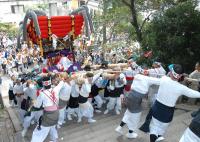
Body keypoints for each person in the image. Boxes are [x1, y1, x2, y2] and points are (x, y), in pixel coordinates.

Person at [149, 64, 200, 142]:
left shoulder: (163, 79)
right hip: (168, 111)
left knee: (154, 127)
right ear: (180, 76)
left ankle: (155, 137)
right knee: (163, 126)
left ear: (171, 72)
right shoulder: (181, 88)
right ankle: (158, 136)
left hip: (157, 107)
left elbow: (151, 79)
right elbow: (194, 93)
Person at [115, 73, 160, 139]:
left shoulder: (137, 76)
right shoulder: (147, 78)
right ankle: (130, 133)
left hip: (130, 95)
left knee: (128, 112)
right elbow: (159, 81)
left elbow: (126, 82)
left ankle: (119, 127)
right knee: (135, 116)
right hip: (136, 99)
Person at [31, 75, 64, 142]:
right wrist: (60, 79)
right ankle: (54, 139)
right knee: (53, 127)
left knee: (38, 132)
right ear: (50, 83)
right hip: (56, 113)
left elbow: (37, 105)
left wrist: (34, 102)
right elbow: (61, 83)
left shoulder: (42, 93)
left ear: (43, 85)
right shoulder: (56, 89)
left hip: (48, 115)